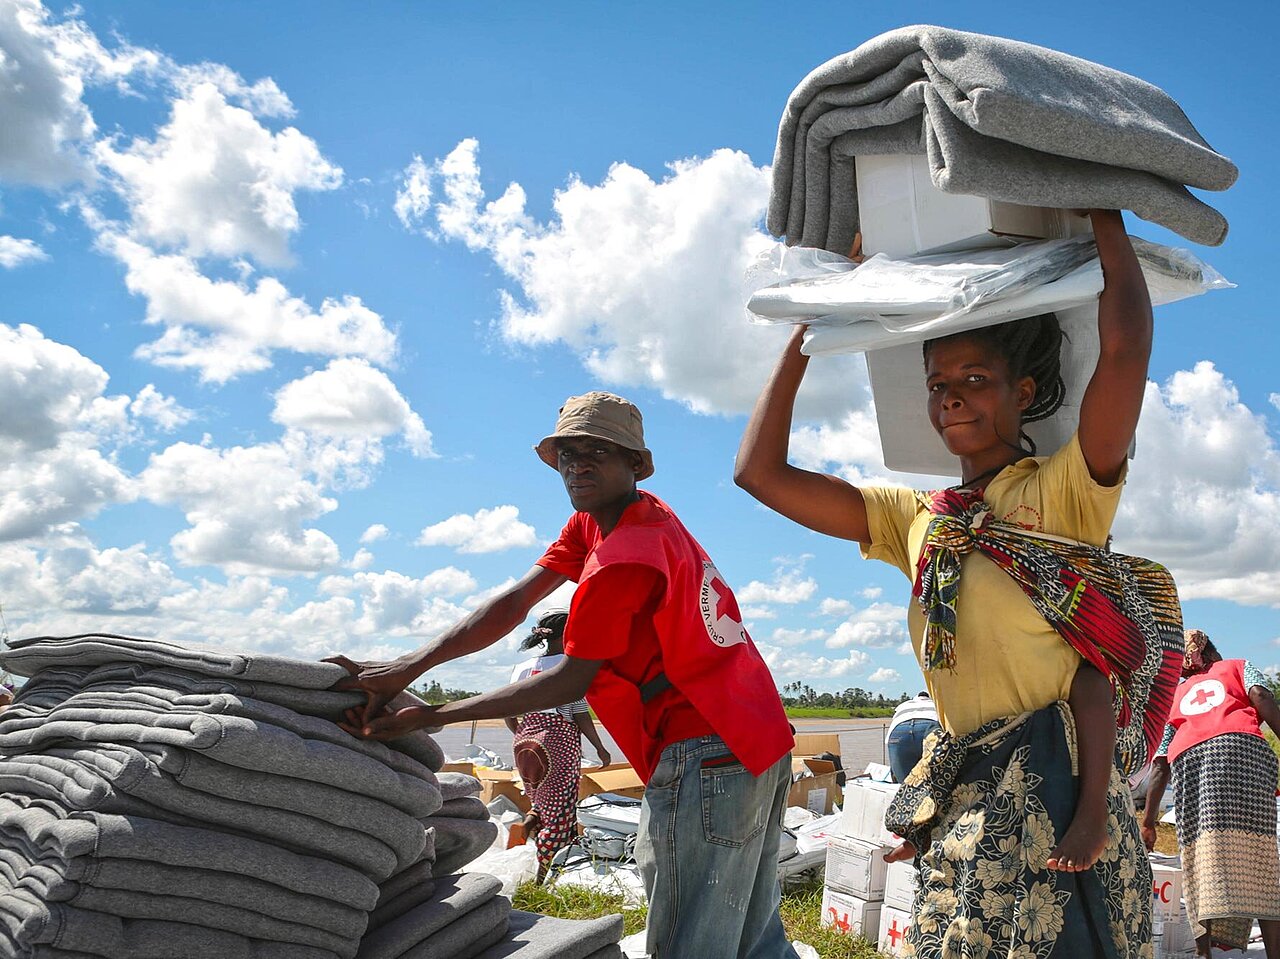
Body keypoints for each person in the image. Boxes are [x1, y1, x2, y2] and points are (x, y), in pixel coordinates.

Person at [736, 210, 1159, 957]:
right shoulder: (916, 518)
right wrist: (815, 322)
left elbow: (1123, 352)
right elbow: (759, 474)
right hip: (967, 784)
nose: (953, 396)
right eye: (939, 384)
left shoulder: (1061, 494)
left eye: (975, 378)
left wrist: (1103, 212)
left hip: (1060, 783)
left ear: (1023, 391)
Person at [330, 391, 799, 959]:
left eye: (598, 451)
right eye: (568, 453)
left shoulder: (625, 556)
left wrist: (434, 715)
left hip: (706, 750)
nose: (579, 465)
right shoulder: (605, 520)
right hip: (756, 736)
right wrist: (412, 664)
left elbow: (568, 682)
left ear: (635, 464)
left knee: (691, 940)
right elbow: (513, 604)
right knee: (753, 933)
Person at [1141, 629, 1280, 958]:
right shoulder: (1237, 665)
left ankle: (1204, 954)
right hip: (1243, 751)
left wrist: (1148, 821)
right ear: (1212, 654)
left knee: (1199, 862)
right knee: (1260, 859)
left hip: (1191, 763)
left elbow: (1160, 764)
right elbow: (1260, 694)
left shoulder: (1175, 694)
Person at [504, 610, 611, 878]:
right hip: (558, 739)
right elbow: (579, 712)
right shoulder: (568, 665)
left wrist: (525, 734)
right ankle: (543, 876)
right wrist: (600, 747)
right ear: (569, 633)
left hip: (525, 741)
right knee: (560, 811)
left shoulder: (523, 667)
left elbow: (508, 710)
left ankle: (527, 827)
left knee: (541, 799)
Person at [884, 691, 940, 784]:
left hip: (898, 732)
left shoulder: (904, 705)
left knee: (904, 784)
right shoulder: (936, 704)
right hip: (928, 727)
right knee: (934, 782)